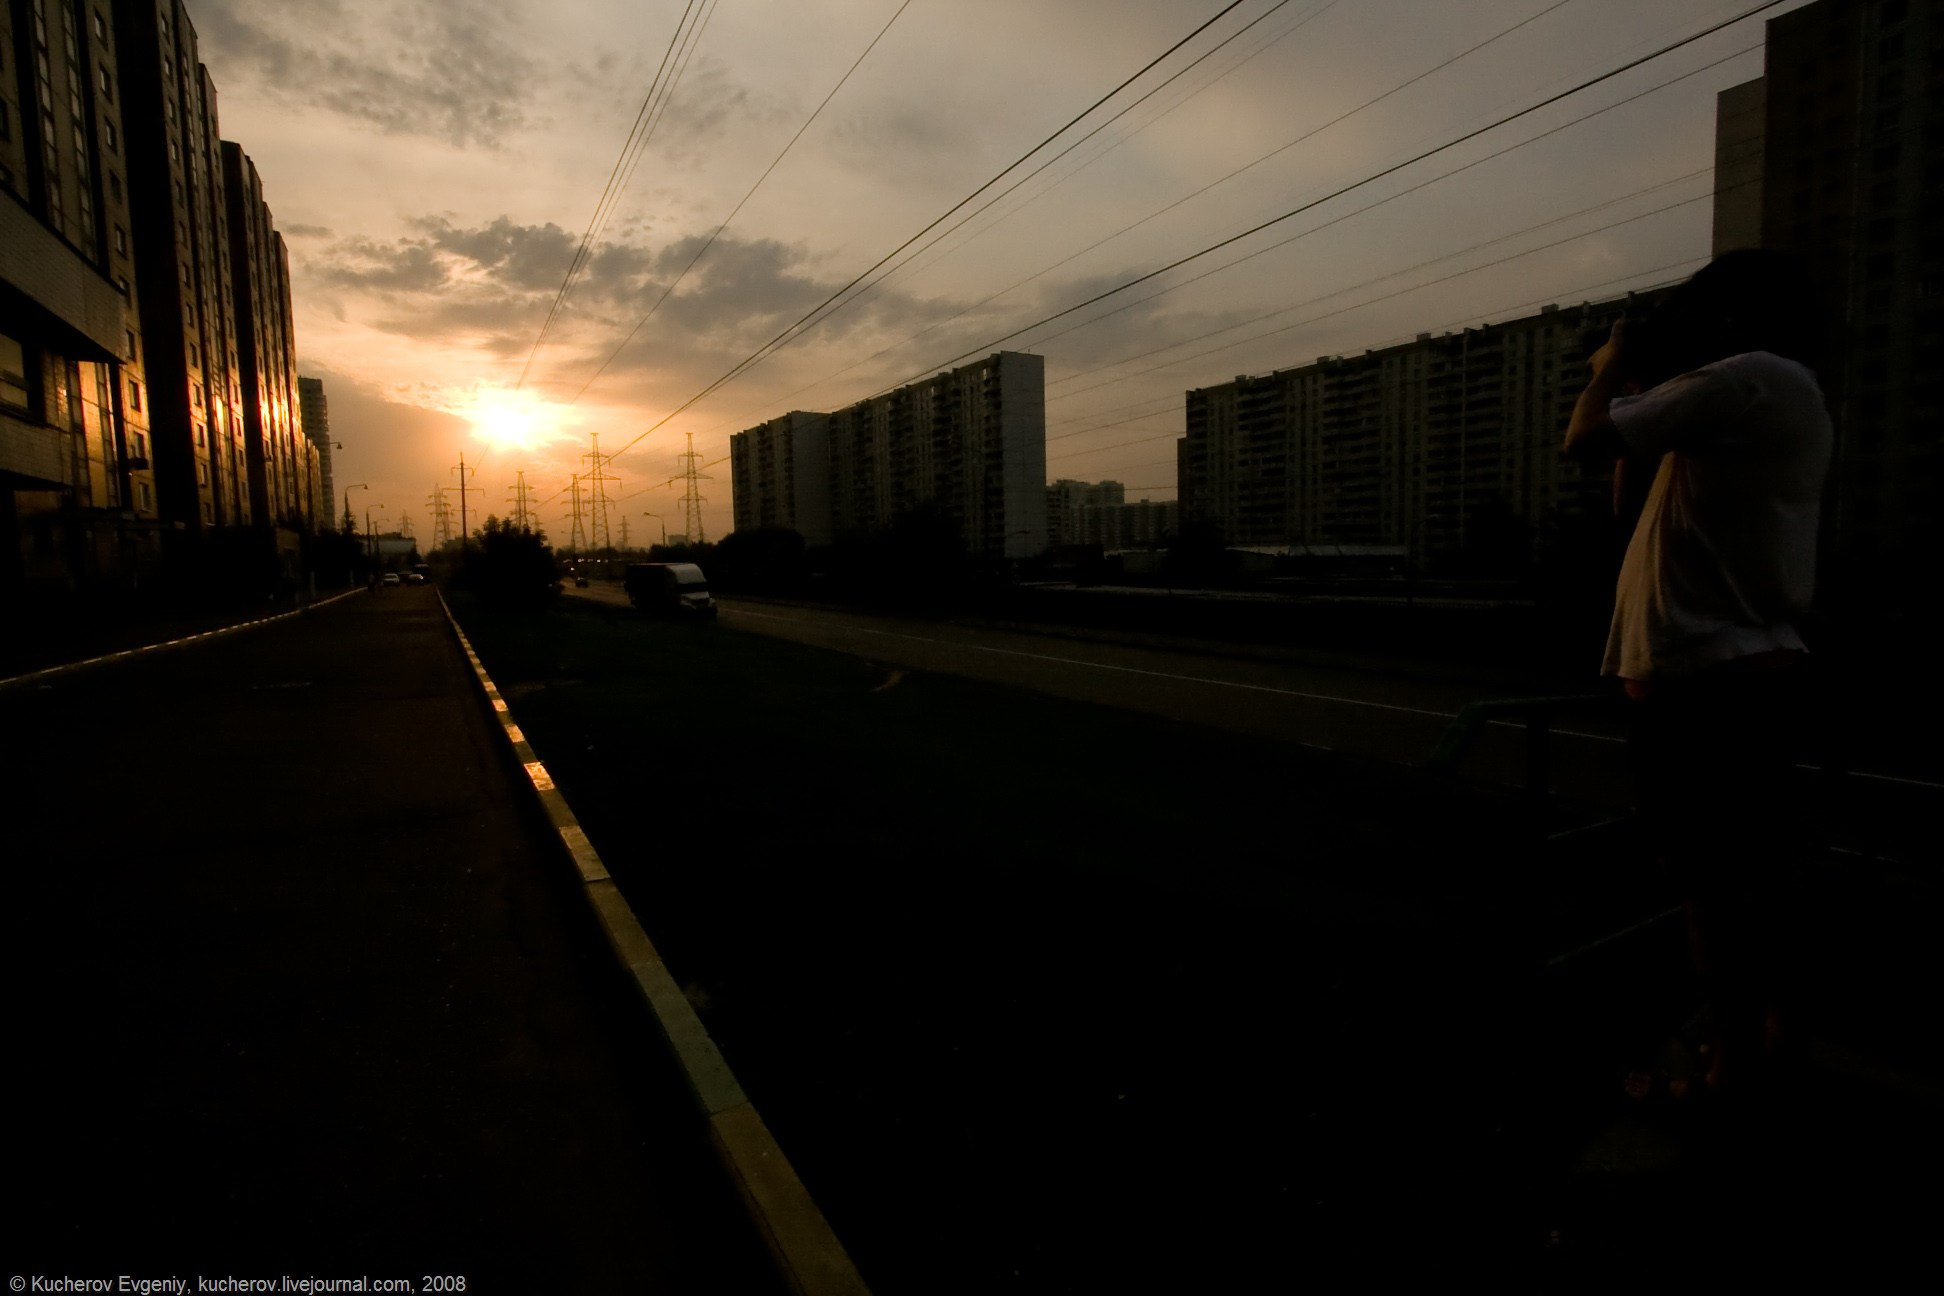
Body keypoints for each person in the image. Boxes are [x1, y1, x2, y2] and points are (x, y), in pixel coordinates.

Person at [1562, 250, 1833, 1101]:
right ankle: (1768, 1041)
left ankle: (1727, 1074)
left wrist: (1610, 369)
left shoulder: (1750, 376)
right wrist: (1646, 392)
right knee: (1757, 878)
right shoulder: (1768, 394)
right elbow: (1624, 501)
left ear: (1732, 319)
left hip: (1708, 688)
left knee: (1711, 890)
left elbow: (1582, 439)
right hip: (1733, 678)